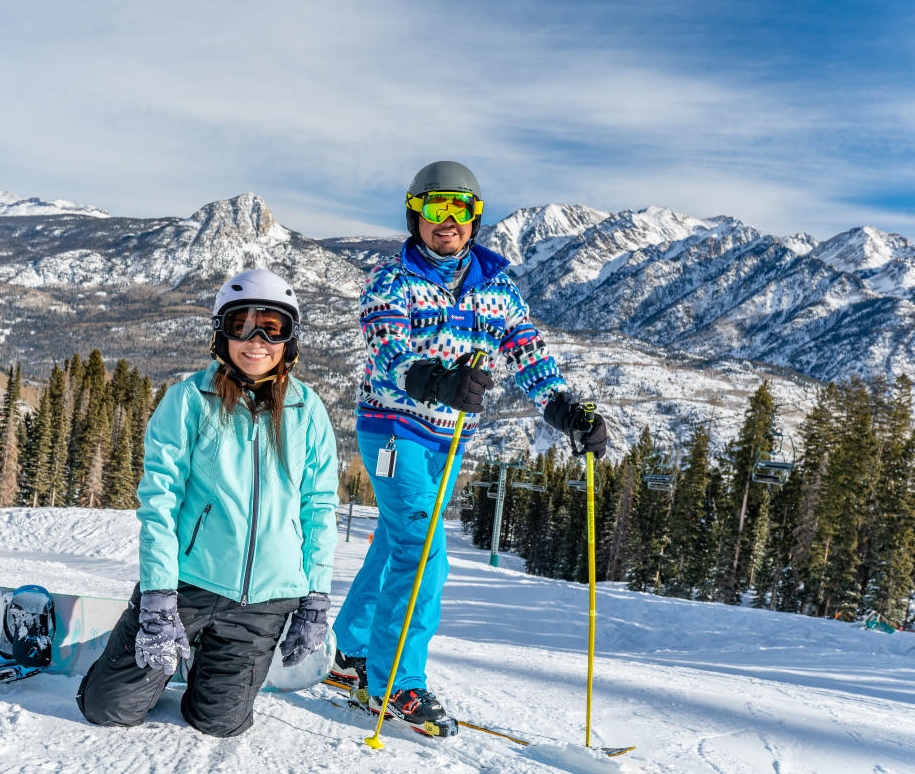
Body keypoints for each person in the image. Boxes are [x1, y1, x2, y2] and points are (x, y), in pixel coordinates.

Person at [330, 161, 609, 731]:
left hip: (448, 440)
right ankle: (394, 684)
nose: (448, 221)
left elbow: (529, 355)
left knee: (397, 541)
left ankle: (351, 653)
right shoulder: (392, 281)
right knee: (423, 553)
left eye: (459, 208)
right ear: (415, 215)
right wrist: (435, 381)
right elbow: (388, 353)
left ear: (475, 218)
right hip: (392, 428)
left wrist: (564, 410)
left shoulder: (496, 288)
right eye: (436, 208)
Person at [77, 269, 339, 737]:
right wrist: (158, 595)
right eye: (242, 325)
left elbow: (319, 506)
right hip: (187, 586)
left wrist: (315, 596)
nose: (257, 341)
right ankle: (141, 646)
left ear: (289, 339)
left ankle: (207, 661)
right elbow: (160, 503)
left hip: (265, 601)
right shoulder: (189, 399)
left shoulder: (307, 409)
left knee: (220, 724)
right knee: (108, 708)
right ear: (222, 333)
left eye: (272, 327)